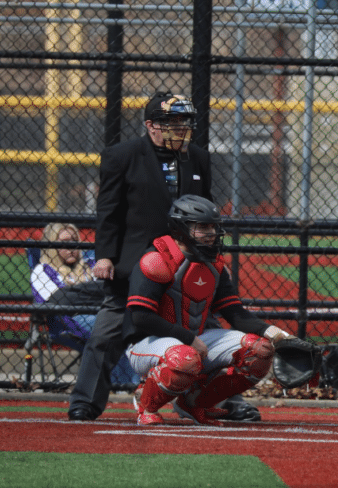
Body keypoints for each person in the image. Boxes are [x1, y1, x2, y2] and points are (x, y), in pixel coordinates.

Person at [69, 92, 258, 422]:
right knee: (106, 333)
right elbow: (109, 212)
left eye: (185, 122)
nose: (181, 128)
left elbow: (205, 209)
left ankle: (224, 398)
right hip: (137, 262)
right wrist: (105, 257)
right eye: (173, 122)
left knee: (203, 327)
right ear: (150, 126)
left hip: (187, 261)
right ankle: (85, 402)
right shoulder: (121, 155)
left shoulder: (197, 157)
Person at [124, 195, 290, 426]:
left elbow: (234, 313)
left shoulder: (214, 264)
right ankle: (146, 404)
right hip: (147, 342)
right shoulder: (156, 259)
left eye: (213, 226)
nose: (211, 232)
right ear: (181, 229)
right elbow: (140, 317)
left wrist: (279, 336)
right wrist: (189, 339)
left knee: (260, 351)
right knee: (184, 358)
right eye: (202, 227)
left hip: (193, 341)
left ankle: (193, 403)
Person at [31, 223, 137, 384]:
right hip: (67, 322)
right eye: (64, 242)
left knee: (127, 323)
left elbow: (109, 291)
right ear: (52, 245)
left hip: (104, 314)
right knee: (112, 329)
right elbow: (56, 300)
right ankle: (127, 385)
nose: (71, 246)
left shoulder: (91, 265)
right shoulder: (43, 270)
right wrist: (93, 291)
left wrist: (74, 292)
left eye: (74, 240)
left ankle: (128, 385)